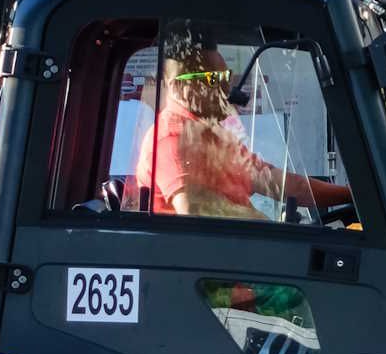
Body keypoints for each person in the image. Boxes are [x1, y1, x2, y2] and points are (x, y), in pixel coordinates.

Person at [135, 26, 352, 221]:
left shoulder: (212, 136)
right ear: (179, 86)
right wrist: (272, 231)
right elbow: (197, 210)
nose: (227, 89)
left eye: (226, 77)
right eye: (214, 79)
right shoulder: (171, 140)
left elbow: (281, 184)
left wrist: (352, 195)